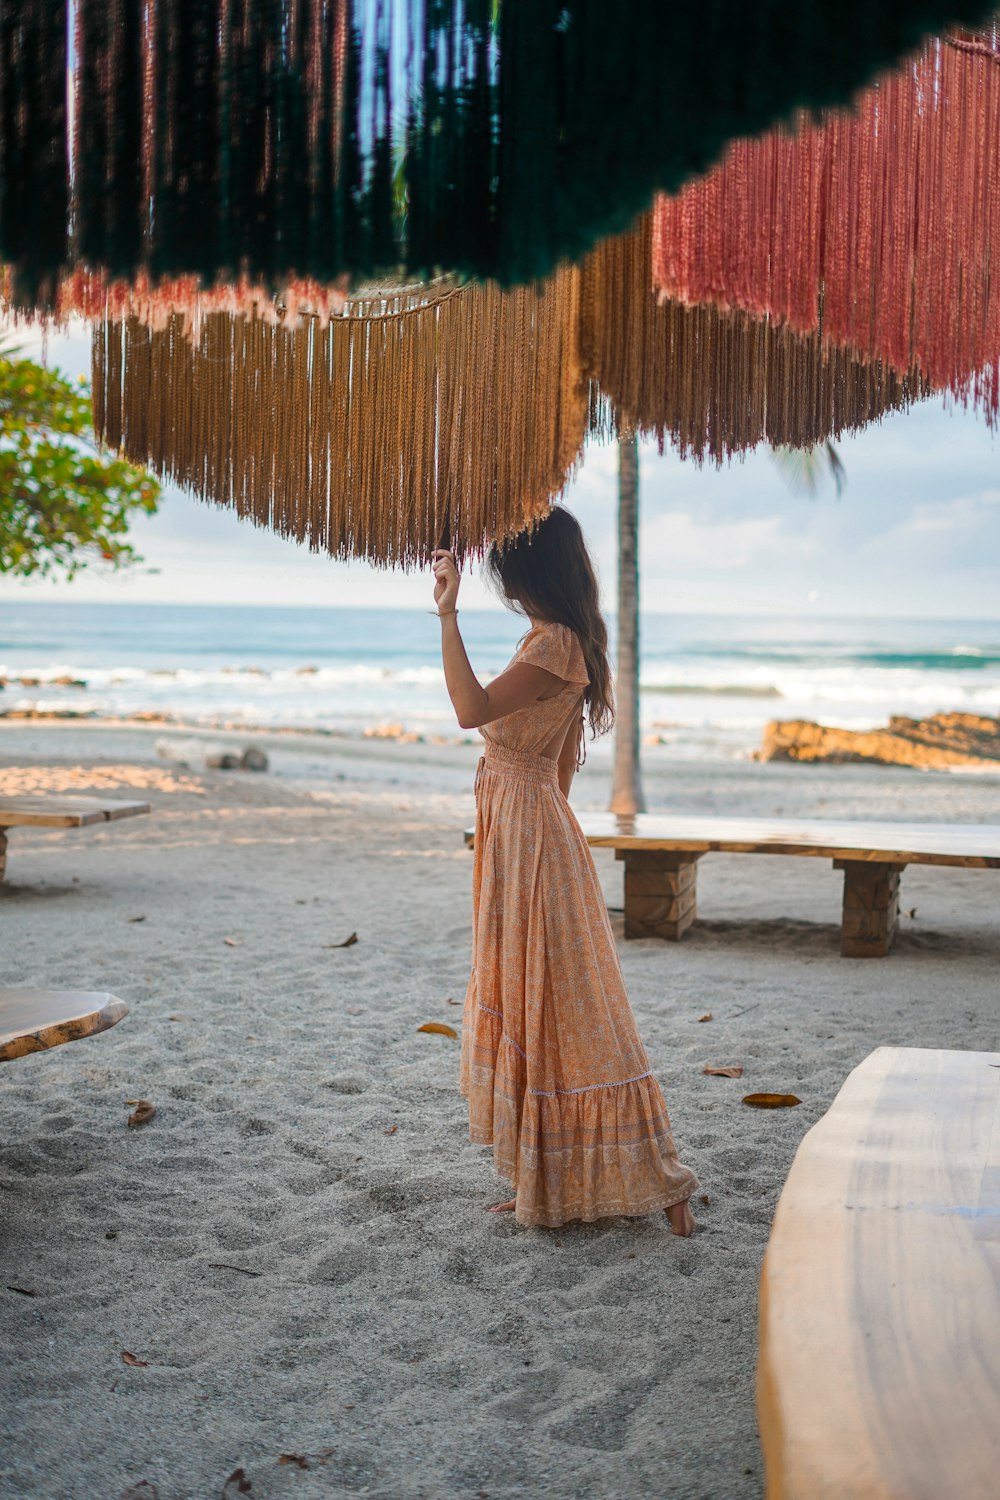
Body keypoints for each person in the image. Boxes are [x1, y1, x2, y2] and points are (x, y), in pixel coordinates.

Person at [432, 508, 699, 1234]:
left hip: (532, 837)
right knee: (534, 1005)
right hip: (526, 833)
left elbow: (470, 709)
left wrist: (447, 614)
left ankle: (664, 1179)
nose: (503, 584)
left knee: (573, 1008)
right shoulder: (551, 641)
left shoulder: (554, 644)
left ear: (531, 573)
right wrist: (524, 833)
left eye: (508, 572)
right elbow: (559, 766)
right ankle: (537, 1177)